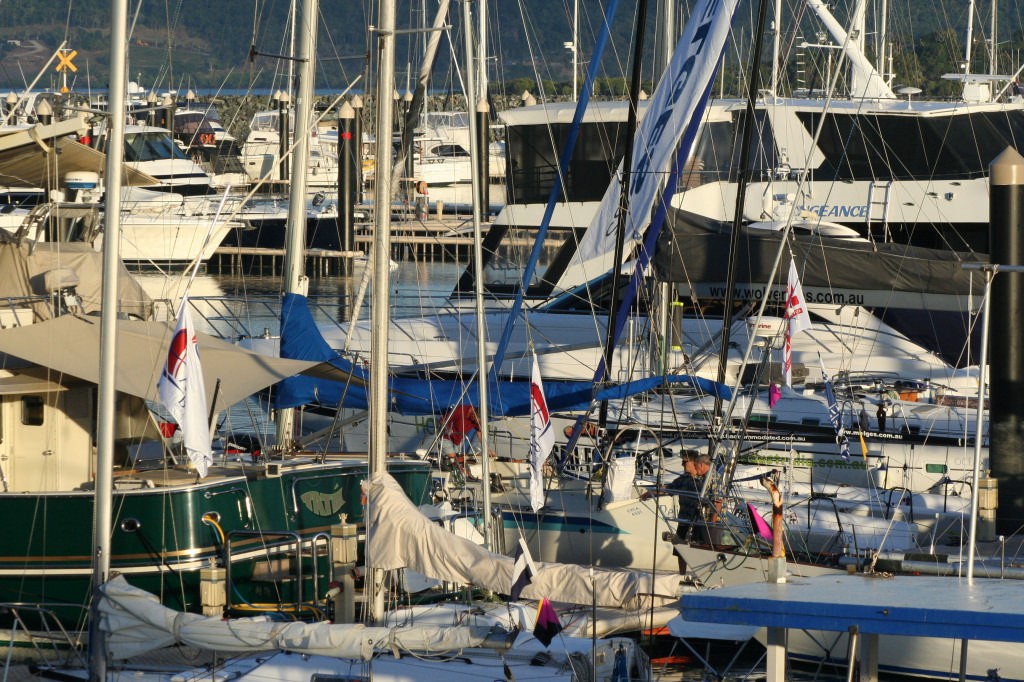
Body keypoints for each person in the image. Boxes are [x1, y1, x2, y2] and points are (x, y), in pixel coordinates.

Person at [665, 451, 712, 572]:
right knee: (680, 548)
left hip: (699, 521)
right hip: (684, 519)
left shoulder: (705, 480)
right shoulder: (683, 479)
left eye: (685, 462)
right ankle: (682, 574)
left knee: (700, 548)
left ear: (693, 462)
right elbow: (668, 488)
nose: (682, 464)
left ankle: (701, 574)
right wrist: (652, 492)